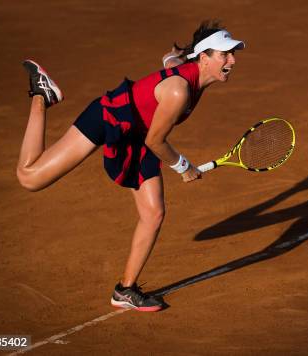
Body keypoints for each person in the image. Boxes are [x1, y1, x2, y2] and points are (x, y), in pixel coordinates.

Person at [16, 20, 245, 312]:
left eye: (232, 53)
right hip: (110, 118)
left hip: (137, 135)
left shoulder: (191, 74)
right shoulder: (179, 92)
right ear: (204, 58)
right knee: (29, 177)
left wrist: (174, 53)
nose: (232, 60)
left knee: (153, 213)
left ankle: (124, 290)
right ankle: (41, 95)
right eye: (225, 54)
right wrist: (183, 166)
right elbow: (156, 141)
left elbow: (170, 60)